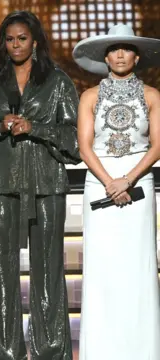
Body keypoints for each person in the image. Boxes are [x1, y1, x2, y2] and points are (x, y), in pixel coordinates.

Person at [0, 11, 80, 360]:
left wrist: (36, 128)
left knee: (48, 267)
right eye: (10, 39)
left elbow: (75, 141)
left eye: (22, 38)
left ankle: (50, 350)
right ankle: (4, 351)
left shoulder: (59, 82)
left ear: (35, 41)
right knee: (1, 269)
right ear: (3, 43)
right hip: (0, 182)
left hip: (47, 181)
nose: (16, 44)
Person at [74, 24, 160, 359]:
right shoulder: (89, 97)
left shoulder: (153, 96)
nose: (120, 54)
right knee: (103, 272)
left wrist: (128, 179)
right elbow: (84, 147)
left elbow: (157, 146)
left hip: (138, 183)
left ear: (137, 56)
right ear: (105, 56)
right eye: (114, 49)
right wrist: (111, 181)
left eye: (126, 48)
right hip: (99, 183)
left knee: (137, 270)